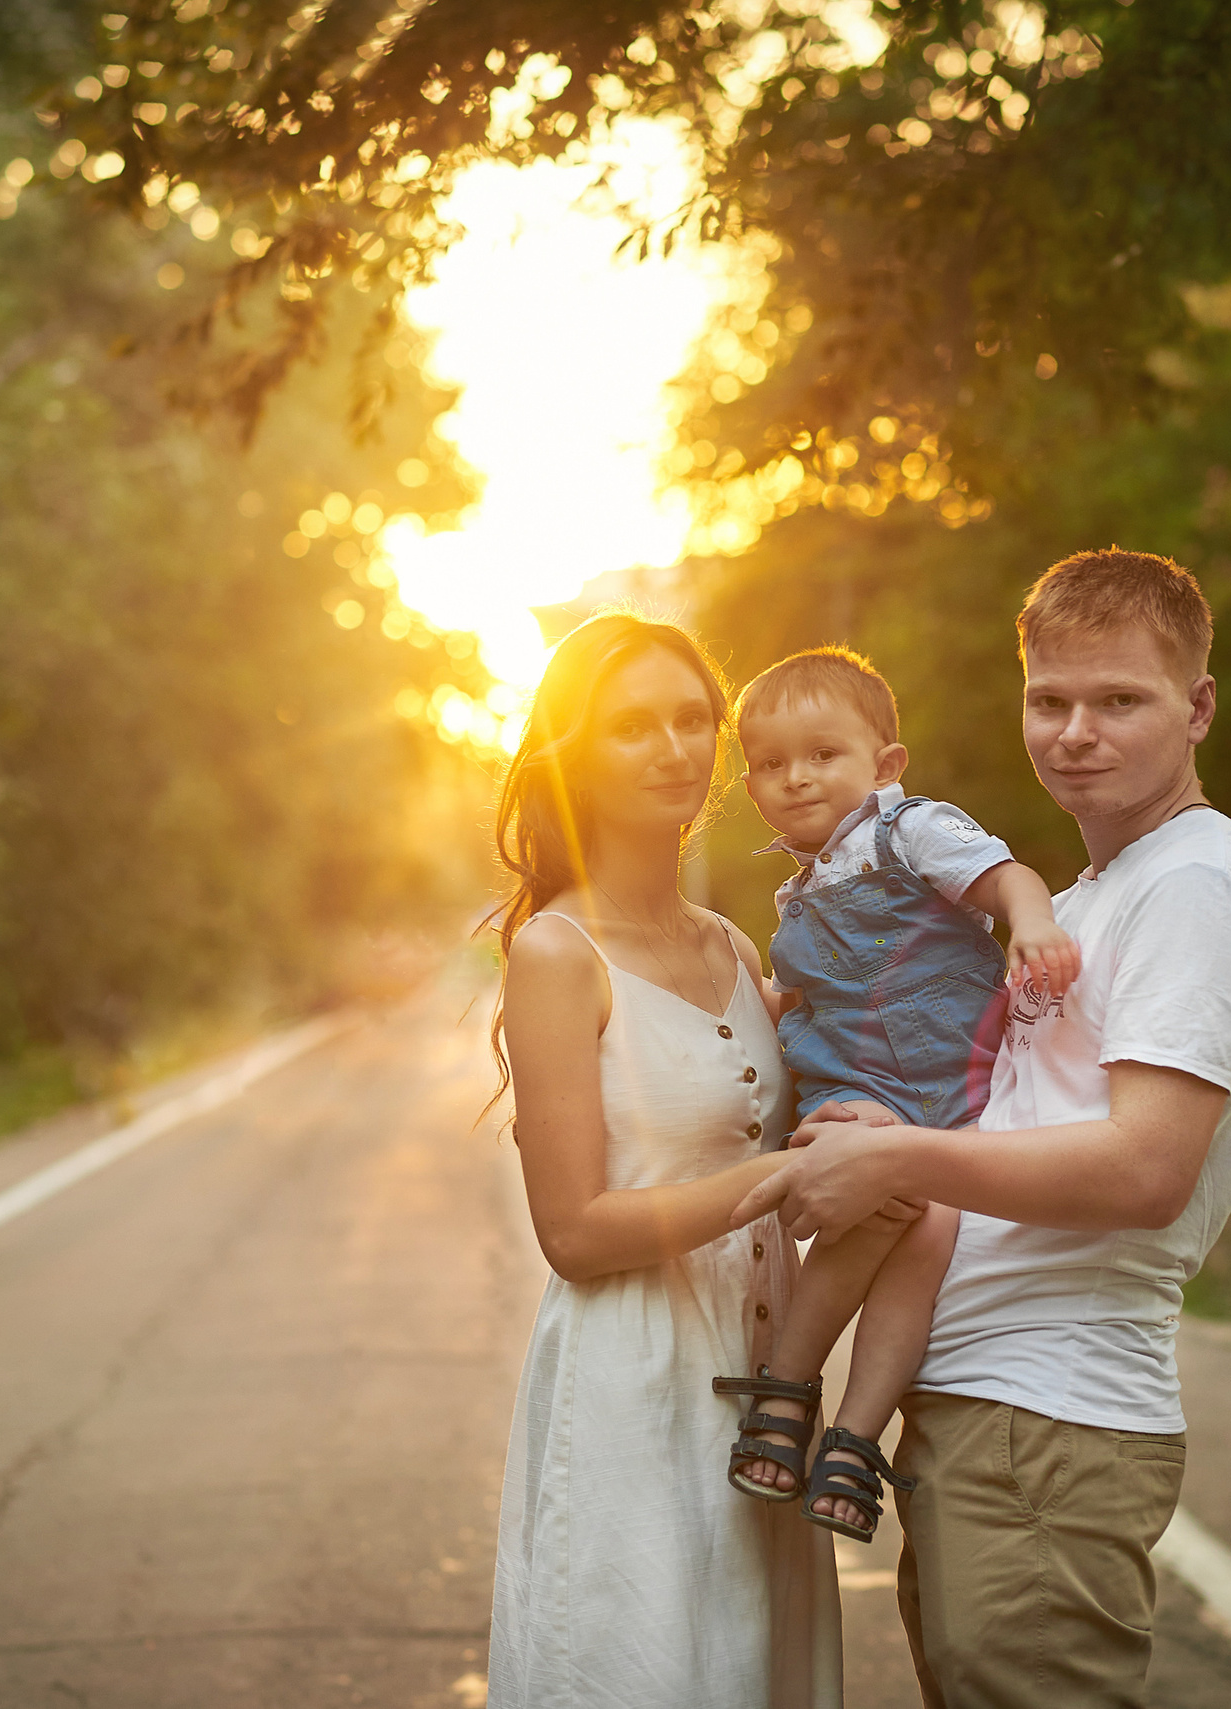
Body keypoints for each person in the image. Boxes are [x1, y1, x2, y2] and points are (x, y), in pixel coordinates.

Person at [733, 550, 1231, 1709]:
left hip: (1050, 1419)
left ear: (1196, 708)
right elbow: (991, 1106)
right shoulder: (1095, 894)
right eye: (1050, 700)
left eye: (1119, 700)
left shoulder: (1194, 888)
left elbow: (1146, 1168)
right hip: (981, 1410)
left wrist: (893, 1157)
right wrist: (874, 1114)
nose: (1075, 731)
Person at [485, 612, 841, 1709]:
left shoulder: (734, 944)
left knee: (752, 1667)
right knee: (643, 1667)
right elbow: (574, 1232)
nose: (673, 747)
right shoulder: (557, 952)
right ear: (573, 752)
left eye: (692, 719)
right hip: (630, 1377)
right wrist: (772, 1180)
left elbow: (788, 1148)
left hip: (763, 1382)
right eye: (632, 724)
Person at [718, 647, 1079, 1545]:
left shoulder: (909, 830)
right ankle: (791, 1390)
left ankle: (852, 1435)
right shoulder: (795, 890)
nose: (794, 777)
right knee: (889, 1209)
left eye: (821, 753)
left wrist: (1031, 922)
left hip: (946, 1101)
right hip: (853, 1096)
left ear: (884, 765)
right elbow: (804, 998)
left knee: (930, 1231)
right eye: (769, 763)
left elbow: (1008, 878)